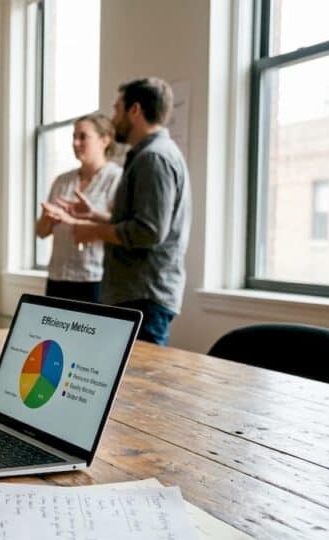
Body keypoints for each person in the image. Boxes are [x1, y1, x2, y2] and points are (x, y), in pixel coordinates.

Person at [71, 77, 190, 345]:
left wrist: (95, 231)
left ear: (134, 110)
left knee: (140, 384)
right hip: (136, 294)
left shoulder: (154, 158)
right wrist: (96, 215)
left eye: (117, 109)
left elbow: (149, 231)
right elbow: (142, 221)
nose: (113, 118)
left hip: (143, 296)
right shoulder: (148, 155)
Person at [36, 113, 122, 303]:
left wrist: (84, 219)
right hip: (58, 276)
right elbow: (41, 232)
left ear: (104, 140)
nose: (75, 143)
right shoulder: (61, 181)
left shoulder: (117, 179)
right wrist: (48, 218)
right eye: (74, 137)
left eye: (83, 137)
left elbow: (122, 226)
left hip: (94, 278)